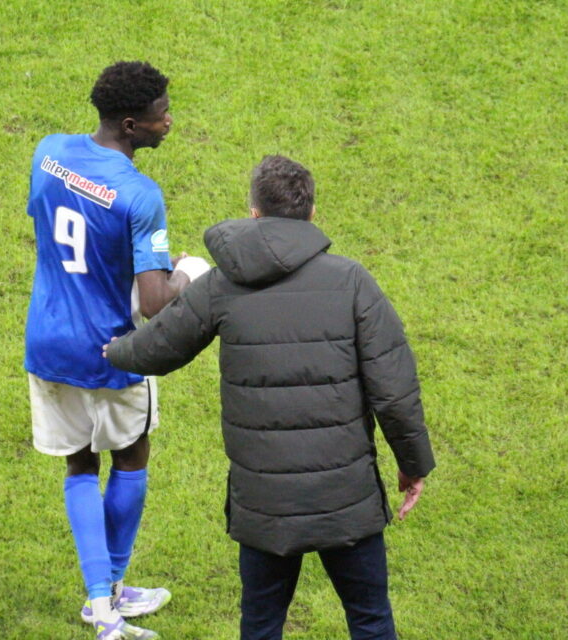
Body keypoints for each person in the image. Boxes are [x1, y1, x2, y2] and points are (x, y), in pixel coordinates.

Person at [103, 155, 436, 640]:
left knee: (260, 627)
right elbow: (395, 391)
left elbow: (158, 348)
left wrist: (113, 351)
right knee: (370, 620)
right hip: (346, 500)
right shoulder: (351, 282)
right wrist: (413, 465)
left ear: (254, 212)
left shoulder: (221, 285)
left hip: (264, 507)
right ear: (312, 213)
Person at [24, 60, 209, 640]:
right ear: (131, 125)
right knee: (130, 455)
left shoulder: (48, 151)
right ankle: (109, 605)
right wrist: (189, 273)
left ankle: (103, 601)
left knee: (81, 461)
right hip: (112, 350)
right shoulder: (139, 193)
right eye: (160, 116)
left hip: (49, 338)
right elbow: (155, 303)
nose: (169, 121)